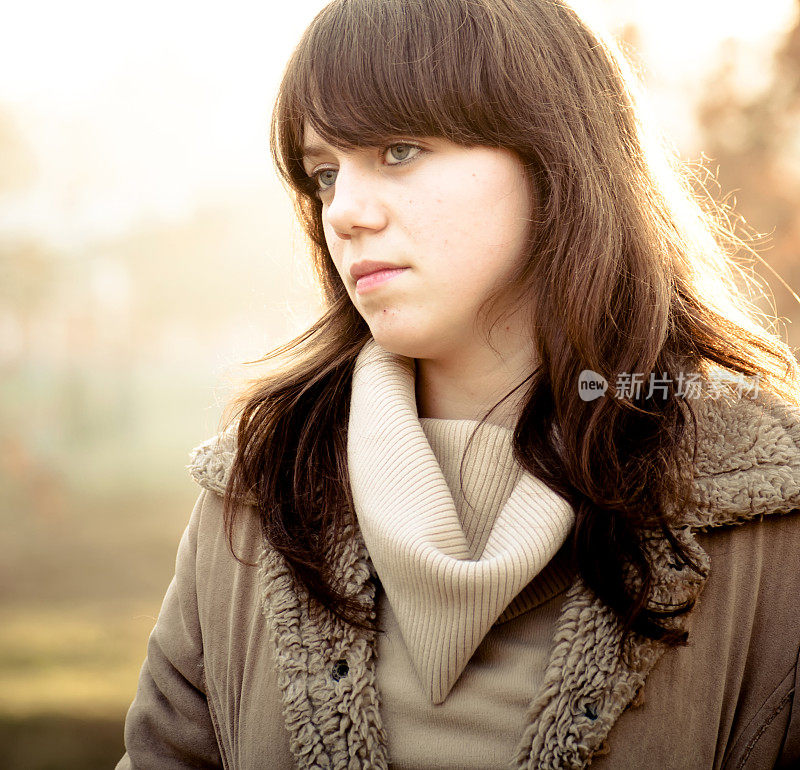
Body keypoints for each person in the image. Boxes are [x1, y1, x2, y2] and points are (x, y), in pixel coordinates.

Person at [116, 0, 800, 767]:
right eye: (325, 173)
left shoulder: (772, 513)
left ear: (553, 157)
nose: (342, 212)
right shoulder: (256, 496)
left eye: (400, 151)